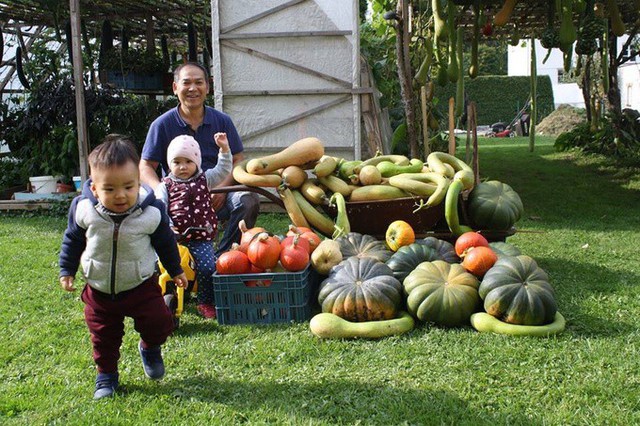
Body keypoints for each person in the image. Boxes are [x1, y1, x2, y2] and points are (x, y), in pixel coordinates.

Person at [58, 135, 188, 400]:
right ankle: (106, 377)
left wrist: (175, 270)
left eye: (128, 187)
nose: (120, 195)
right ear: (94, 188)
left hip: (140, 285)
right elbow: (72, 239)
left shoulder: (151, 214)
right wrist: (66, 270)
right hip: (100, 289)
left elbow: (165, 242)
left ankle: (150, 347)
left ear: (138, 183)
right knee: (103, 337)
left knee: (160, 323)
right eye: (109, 189)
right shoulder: (85, 210)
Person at [140, 62, 260, 257]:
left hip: (215, 190)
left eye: (199, 82)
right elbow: (145, 166)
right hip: (177, 196)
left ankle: (224, 256)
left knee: (248, 200)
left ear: (207, 87)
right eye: (186, 83)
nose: (193, 89)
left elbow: (238, 159)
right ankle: (175, 256)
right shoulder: (162, 125)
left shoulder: (222, 121)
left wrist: (222, 188)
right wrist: (162, 192)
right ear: (175, 87)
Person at [154, 133, 232, 319]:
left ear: (196, 161)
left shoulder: (205, 179)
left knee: (207, 267)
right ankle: (161, 295)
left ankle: (205, 301)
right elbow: (160, 208)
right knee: (161, 266)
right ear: (169, 164)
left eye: (188, 161)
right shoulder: (165, 185)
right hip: (174, 238)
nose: (182, 166)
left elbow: (223, 170)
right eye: (177, 162)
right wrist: (168, 226)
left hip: (200, 236)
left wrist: (224, 150)